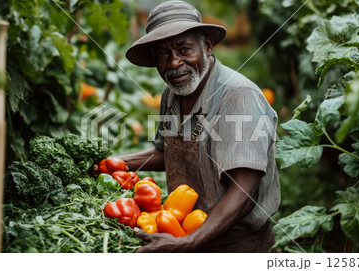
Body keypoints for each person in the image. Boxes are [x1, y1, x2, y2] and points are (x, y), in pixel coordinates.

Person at [119, 0, 280, 252]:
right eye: (163, 54)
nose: (173, 63)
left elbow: (245, 189)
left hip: (236, 244)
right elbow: (168, 152)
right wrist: (114, 163)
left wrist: (188, 242)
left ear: (206, 46)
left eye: (184, 49)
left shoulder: (237, 95)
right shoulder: (173, 92)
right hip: (184, 231)